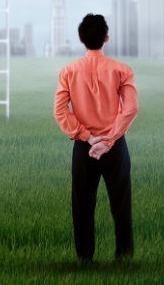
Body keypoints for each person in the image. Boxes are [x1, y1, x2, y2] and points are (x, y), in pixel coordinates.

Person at [54, 13, 139, 263]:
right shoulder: (122, 70)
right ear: (106, 38)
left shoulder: (68, 71)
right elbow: (131, 108)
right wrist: (108, 140)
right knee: (121, 205)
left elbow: (60, 111)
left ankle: (85, 260)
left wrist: (89, 138)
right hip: (115, 147)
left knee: (82, 206)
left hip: (84, 148)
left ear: (81, 39)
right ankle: (124, 258)